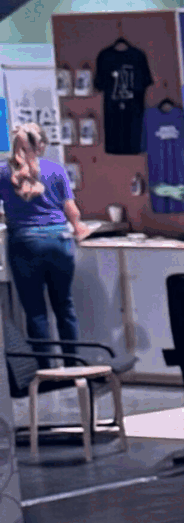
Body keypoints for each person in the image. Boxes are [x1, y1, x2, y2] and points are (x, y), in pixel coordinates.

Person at [6, 122, 90, 359]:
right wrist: (78, 226)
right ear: (41, 146)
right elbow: (71, 209)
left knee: (35, 312)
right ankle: (73, 366)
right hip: (58, 240)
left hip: (24, 243)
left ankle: (46, 371)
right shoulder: (56, 170)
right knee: (64, 306)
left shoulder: (4, 172)